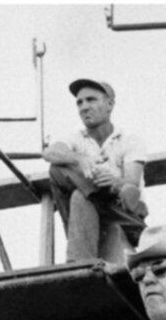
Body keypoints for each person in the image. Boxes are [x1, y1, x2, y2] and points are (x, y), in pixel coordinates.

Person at [43, 78, 148, 263]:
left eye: (91, 100)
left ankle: (79, 265)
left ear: (109, 104)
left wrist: (114, 182)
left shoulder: (129, 139)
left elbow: (132, 184)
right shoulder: (77, 137)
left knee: (79, 195)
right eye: (79, 102)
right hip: (86, 219)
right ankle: (97, 191)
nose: (84, 107)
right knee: (57, 168)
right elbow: (49, 152)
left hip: (121, 212)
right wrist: (80, 159)